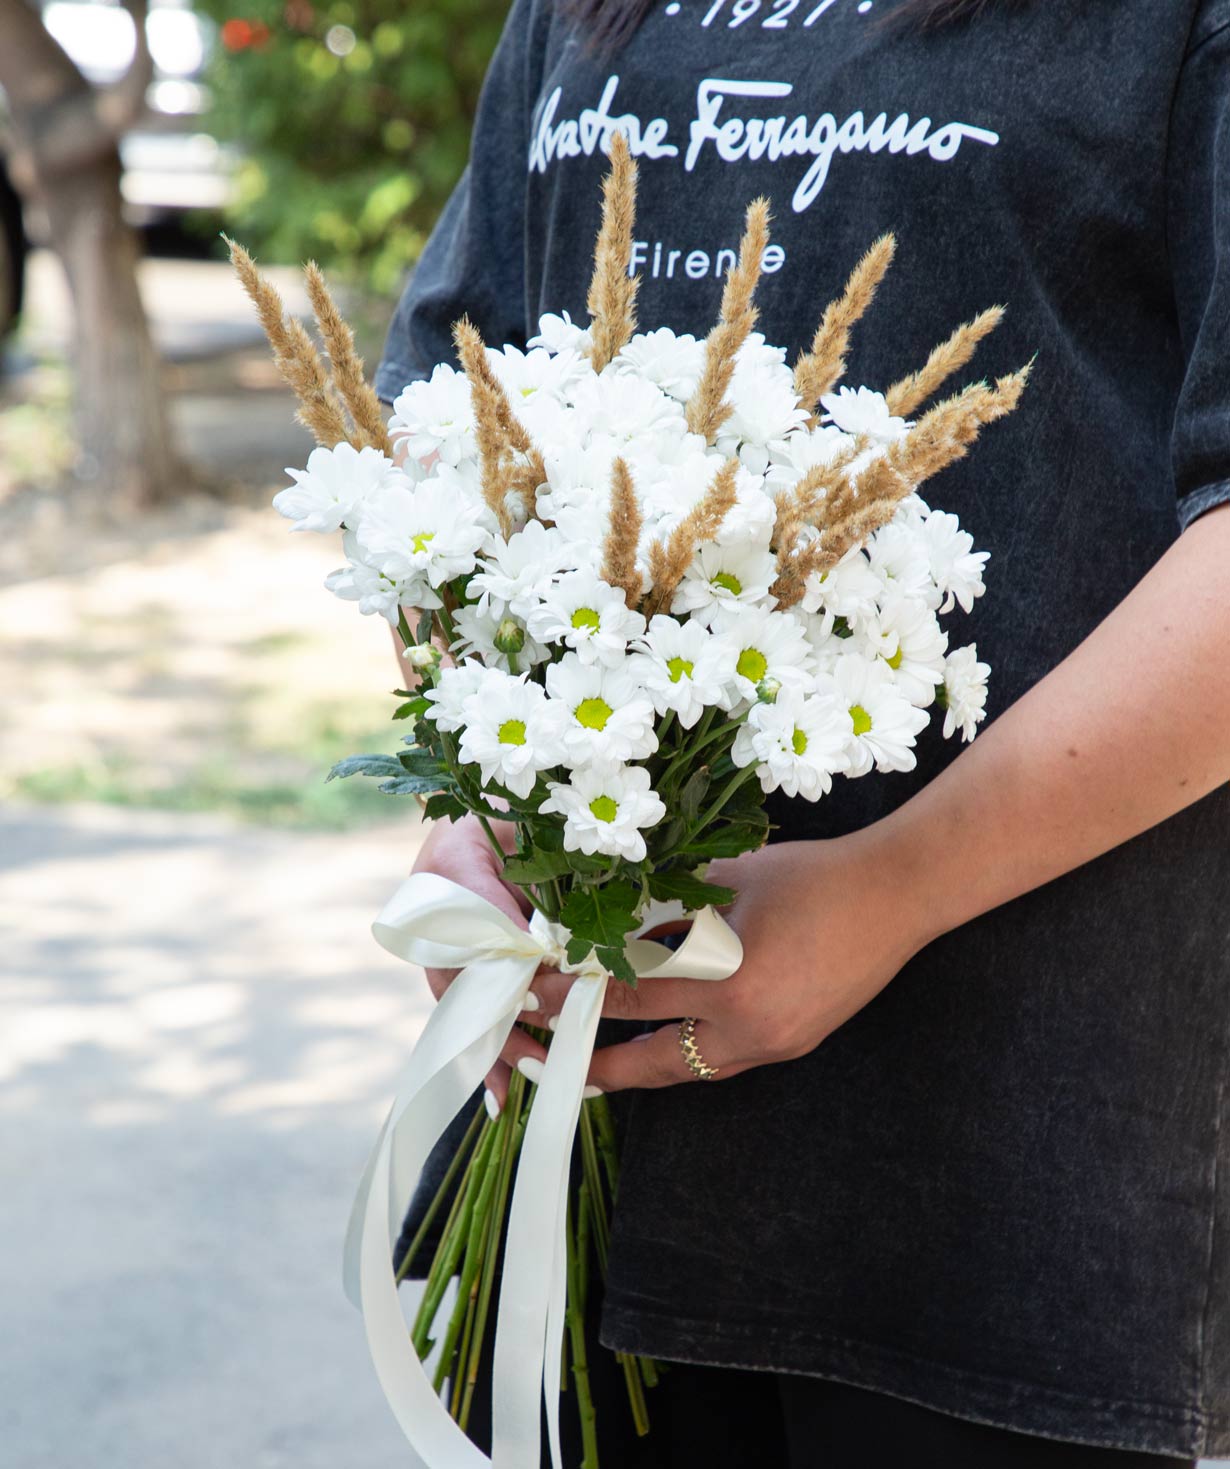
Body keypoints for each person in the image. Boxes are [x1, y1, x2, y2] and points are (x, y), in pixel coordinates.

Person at [375, 0, 1230, 1462]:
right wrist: (489, 788)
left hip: (992, 1181)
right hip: (596, 1162)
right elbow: (447, 425)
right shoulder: (577, 15)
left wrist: (892, 884)